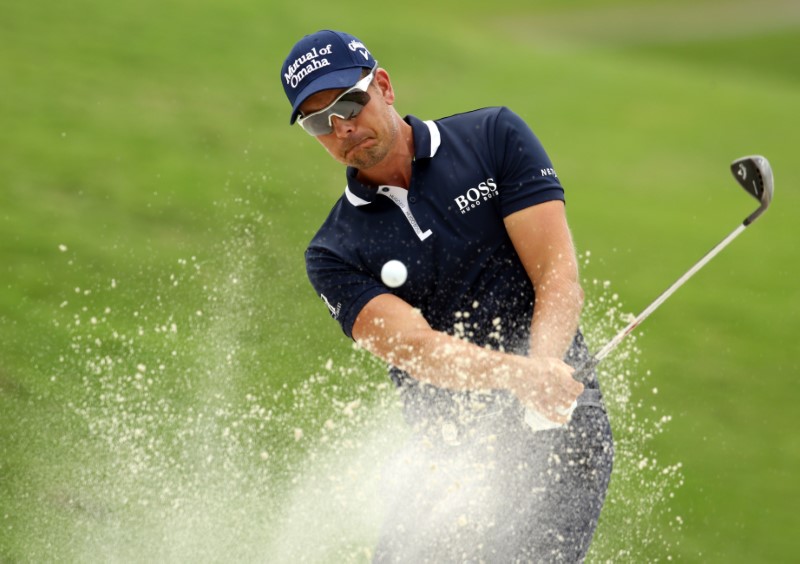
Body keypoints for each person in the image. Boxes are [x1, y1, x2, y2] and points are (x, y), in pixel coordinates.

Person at [280, 30, 613, 562]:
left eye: (349, 102)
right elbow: (414, 347)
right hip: (449, 454)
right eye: (318, 121)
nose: (341, 126)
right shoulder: (334, 252)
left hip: (560, 424)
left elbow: (556, 276)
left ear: (383, 86)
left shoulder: (492, 138)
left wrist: (543, 368)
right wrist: (517, 375)